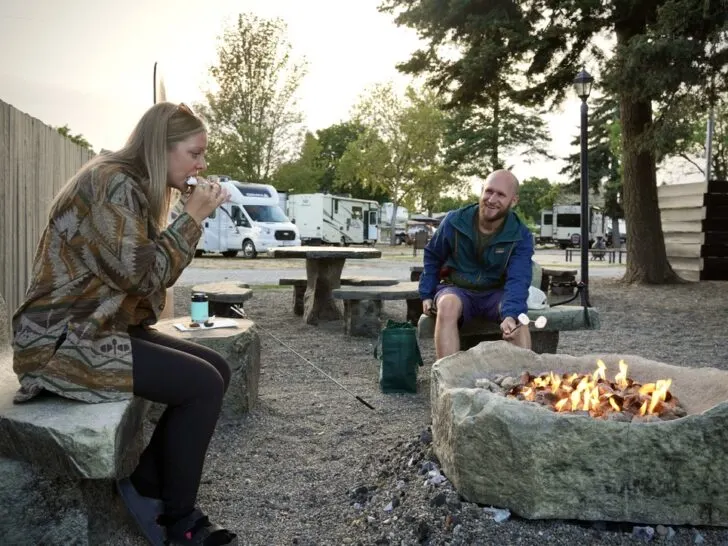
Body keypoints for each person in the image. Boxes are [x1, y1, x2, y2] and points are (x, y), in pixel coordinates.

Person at [11, 102, 238, 546]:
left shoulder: (133, 184)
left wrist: (186, 220)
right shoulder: (111, 183)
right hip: (61, 339)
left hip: (99, 327)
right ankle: (179, 523)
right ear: (162, 148)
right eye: (195, 153)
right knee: (202, 386)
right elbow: (142, 275)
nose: (202, 164)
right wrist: (190, 218)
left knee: (218, 371)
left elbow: (147, 280)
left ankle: (148, 486)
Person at [419, 169, 534, 359]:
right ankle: (448, 380)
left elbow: (519, 278)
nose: (492, 199)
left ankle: (523, 383)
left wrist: (510, 314)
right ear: (482, 191)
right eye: (489, 191)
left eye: (501, 194)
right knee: (447, 306)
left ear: (513, 201)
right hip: (457, 289)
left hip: (495, 293)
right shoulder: (454, 221)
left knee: (519, 321)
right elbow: (432, 255)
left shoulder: (521, 235)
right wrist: (426, 293)